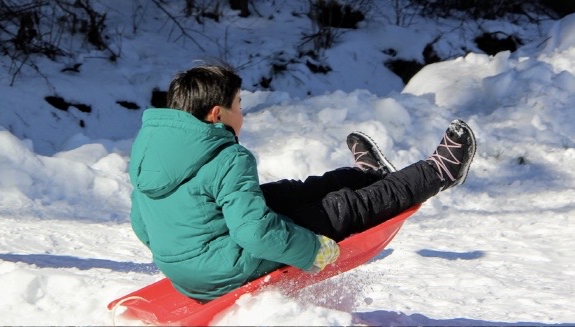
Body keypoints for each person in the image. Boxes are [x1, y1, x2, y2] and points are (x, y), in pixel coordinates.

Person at [128, 63, 476, 301]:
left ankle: (370, 175)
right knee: (344, 209)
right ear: (217, 114)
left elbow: (142, 226)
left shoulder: (150, 151)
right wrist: (311, 250)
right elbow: (255, 234)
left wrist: (186, 249)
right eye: (239, 105)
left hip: (189, 275)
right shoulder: (227, 157)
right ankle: (439, 172)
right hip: (228, 269)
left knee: (289, 193)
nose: (243, 114)